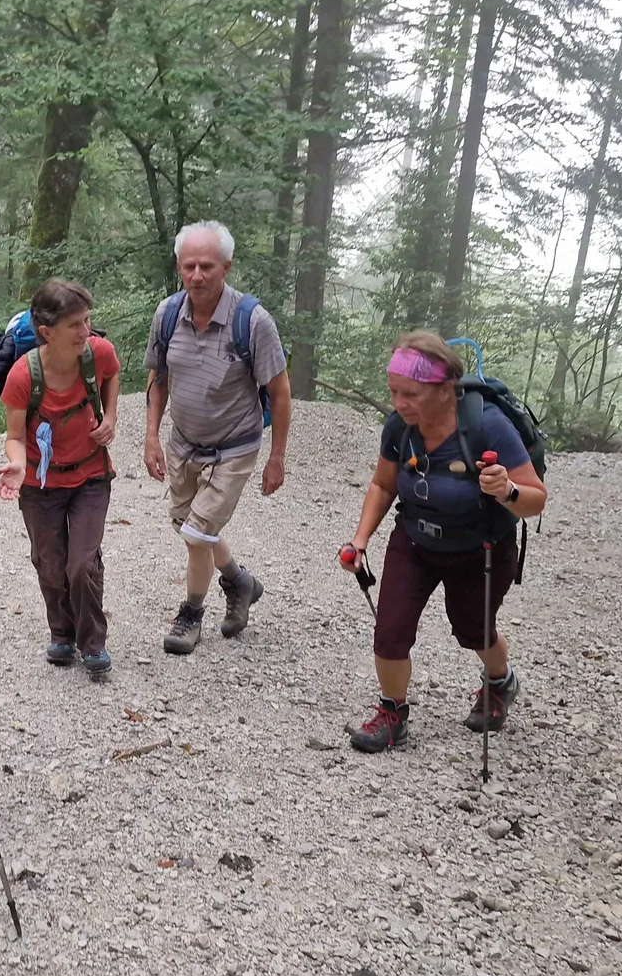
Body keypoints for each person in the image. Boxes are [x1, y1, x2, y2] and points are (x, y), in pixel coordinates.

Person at [341, 331, 548, 752]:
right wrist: (360, 541)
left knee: (472, 630)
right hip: (415, 541)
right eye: (394, 391)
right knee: (390, 630)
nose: (399, 403)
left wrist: (506, 489)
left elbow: (535, 499)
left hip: (482, 546)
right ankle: (392, 713)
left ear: (445, 389)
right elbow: (383, 486)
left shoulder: (487, 425)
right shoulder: (400, 427)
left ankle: (499, 682)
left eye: (411, 394)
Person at [143, 220, 292, 654]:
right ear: (179, 266)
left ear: (226, 267)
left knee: (196, 534)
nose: (197, 275)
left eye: (206, 266)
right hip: (183, 442)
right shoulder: (167, 314)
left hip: (234, 447)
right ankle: (239, 581)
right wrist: (151, 436)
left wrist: (276, 457)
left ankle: (190, 614)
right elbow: (158, 378)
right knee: (188, 526)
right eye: (188, 265)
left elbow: (280, 394)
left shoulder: (253, 321)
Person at [0, 279, 121, 678]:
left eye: (87, 321)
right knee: (50, 562)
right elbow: (14, 436)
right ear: (46, 332)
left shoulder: (97, 353)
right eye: (75, 326)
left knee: (81, 563)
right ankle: (61, 633)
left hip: (90, 477)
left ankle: (93, 642)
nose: (86, 332)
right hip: (40, 484)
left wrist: (111, 417)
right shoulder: (22, 375)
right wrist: (17, 466)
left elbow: (113, 373)